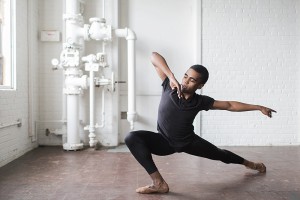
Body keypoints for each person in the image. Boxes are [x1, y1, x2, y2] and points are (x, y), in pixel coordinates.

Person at [125, 52, 276, 194]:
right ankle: (159, 183)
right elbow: (153, 56)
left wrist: (258, 107)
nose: (185, 81)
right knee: (132, 138)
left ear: (200, 86)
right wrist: (171, 76)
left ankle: (251, 164)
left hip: (189, 142)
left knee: (221, 155)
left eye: (192, 80)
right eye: (185, 76)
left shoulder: (201, 101)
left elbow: (230, 105)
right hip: (164, 142)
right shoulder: (168, 87)